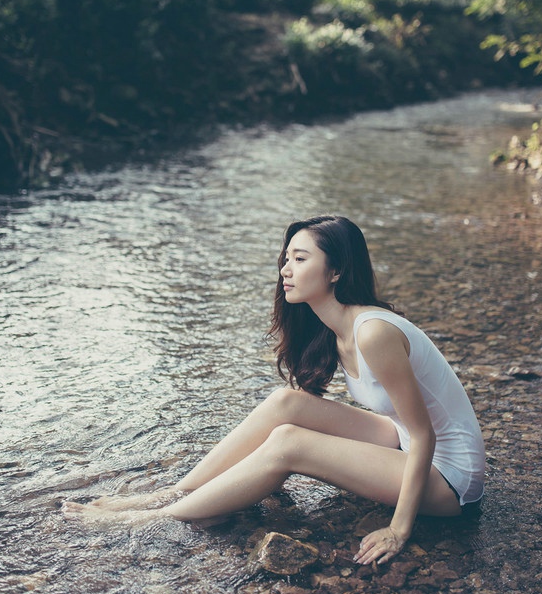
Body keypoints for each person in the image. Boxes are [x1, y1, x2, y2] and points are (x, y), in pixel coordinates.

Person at [63, 214, 485, 566]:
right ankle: (176, 492)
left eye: (300, 259)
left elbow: (426, 433)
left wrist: (398, 528)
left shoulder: (373, 332)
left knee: (289, 443)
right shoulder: (336, 328)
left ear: (336, 270)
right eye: (286, 259)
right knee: (286, 403)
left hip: (449, 478)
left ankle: (156, 517)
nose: (285, 269)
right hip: (405, 443)